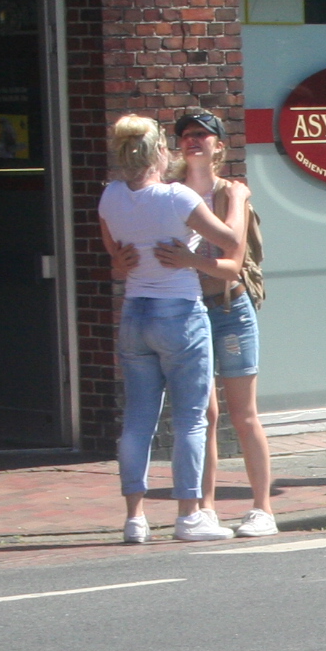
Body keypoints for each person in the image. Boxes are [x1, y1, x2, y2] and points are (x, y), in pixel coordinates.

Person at [98, 114, 244, 544]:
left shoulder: (110, 196)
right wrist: (237, 200)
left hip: (135, 311)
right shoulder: (177, 197)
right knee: (191, 419)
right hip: (179, 311)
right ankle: (189, 516)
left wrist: (124, 259)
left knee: (137, 420)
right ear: (160, 152)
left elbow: (115, 253)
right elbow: (231, 241)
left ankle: (134, 518)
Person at [163, 109, 278, 536]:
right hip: (188, 311)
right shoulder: (169, 194)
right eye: (186, 135)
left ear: (218, 146)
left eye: (202, 135)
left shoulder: (232, 193)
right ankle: (206, 508)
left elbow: (233, 261)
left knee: (243, 414)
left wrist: (189, 260)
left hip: (230, 308)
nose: (193, 140)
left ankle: (263, 509)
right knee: (204, 414)